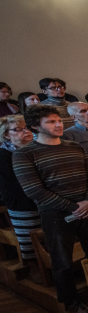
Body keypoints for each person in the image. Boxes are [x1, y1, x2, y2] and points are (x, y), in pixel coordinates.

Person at [14, 104, 88, 313]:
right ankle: (71, 301)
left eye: (59, 121)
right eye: (51, 122)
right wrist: (74, 207)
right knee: (62, 261)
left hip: (87, 208)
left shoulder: (74, 146)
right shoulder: (25, 154)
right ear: (36, 126)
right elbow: (34, 190)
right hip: (56, 214)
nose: (58, 125)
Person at [0, 115, 42, 281]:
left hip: (41, 198)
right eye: (19, 129)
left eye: (26, 127)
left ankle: (49, 263)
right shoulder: (3, 154)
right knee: (29, 234)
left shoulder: (37, 147)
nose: (26, 131)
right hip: (21, 201)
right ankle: (34, 267)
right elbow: (14, 180)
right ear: (6, 135)